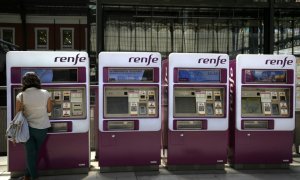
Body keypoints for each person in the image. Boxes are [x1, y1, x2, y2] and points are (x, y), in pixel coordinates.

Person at [15, 72, 53, 180]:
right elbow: (49, 110)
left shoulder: (21, 95)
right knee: (34, 153)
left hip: (27, 129)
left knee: (30, 153)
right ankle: (27, 176)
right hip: (42, 128)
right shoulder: (45, 93)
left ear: (24, 82)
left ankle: (33, 177)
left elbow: (18, 112)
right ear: (37, 81)